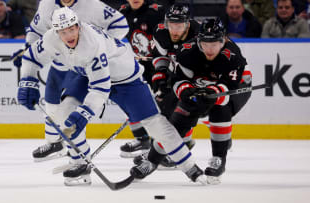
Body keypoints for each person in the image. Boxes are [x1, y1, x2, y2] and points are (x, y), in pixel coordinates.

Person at [18, 7, 205, 186]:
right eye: (63, 32)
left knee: (154, 124)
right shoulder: (51, 38)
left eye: (72, 29)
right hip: (86, 75)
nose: (69, 36)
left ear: (78, 26)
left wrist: (84, 113)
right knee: (66, 112)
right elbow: (31, 58)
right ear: (56, 32)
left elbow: (101, 87)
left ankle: (190, 168)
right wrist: (28, 80)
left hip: (125, 79)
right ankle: (80, 164)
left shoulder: (91, 43)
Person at [133, 18, 252, 184]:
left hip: (236, 86)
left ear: (223, 40)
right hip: (199, 85)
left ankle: (219, 158)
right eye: (205, 44)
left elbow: (228, 87)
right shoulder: (187, 52)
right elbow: (178, 81)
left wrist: (212, 93)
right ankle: (151, 161)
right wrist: (185, 92)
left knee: (220, 109)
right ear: (198, 40)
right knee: (176, 124)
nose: (209, 49)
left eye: (214, 44)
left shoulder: (233, 55)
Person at [11, 0, 129, 162]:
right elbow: (36, 29)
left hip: (84, 65)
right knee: (51, 100)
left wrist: (103, 48)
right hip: (61, 61)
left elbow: (120, 24)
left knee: (72, 107)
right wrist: (29, 47)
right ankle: (54, 142)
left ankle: (80, 151)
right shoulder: (46, 4)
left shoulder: (91, 4)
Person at [130, 3, 200, 168]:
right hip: (176, 71)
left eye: (179, 25)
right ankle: (164, 147)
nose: (174, 30)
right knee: (163, 110)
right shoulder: (161, 32)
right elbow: (159, 57)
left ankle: (183, 144)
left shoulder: (197, 34)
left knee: (183, 110)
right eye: (171, 25)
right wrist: (161, 76)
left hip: (196, 75)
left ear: (188, 24)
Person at [117, 0, 165, 158]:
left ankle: (165, 143)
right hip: (138, 65)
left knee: (163, 103)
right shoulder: (122, 12)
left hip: (160, 64)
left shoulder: (157, 11)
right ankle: (142, 139)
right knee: (131, 102)